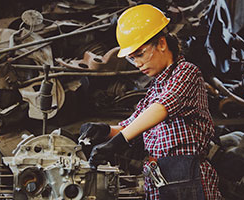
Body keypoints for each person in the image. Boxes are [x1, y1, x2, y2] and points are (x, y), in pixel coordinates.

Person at [78, 4, 222, 200]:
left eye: (140, 54)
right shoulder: (154, 89)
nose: (137, 64)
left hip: (186, 176)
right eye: (132, 58)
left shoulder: (187, 73)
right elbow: (130, 126)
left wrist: (118, 142)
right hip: (157, 176)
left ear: (161, 43)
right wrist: (104, 130)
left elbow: (161, 108)